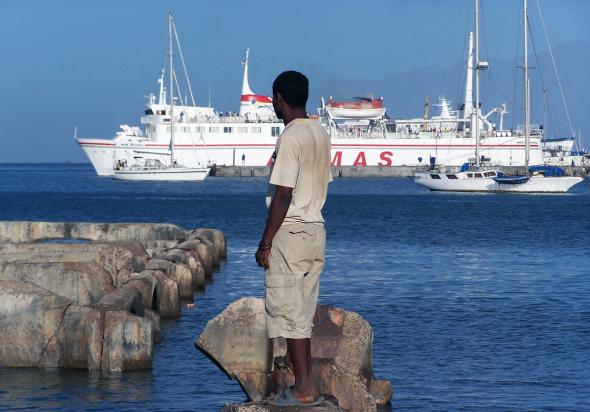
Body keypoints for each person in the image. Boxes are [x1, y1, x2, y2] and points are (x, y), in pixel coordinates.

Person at [255, 70, 332, 407]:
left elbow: (283, 195)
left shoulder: (291, 136)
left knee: (289, 313)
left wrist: (265, 242)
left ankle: (303, 390)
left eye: (274, 98)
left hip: (291, 231)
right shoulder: (320, 132)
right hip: (316, 230)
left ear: (279, 98)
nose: (273, 103)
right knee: (303, 312)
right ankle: (307, 384)